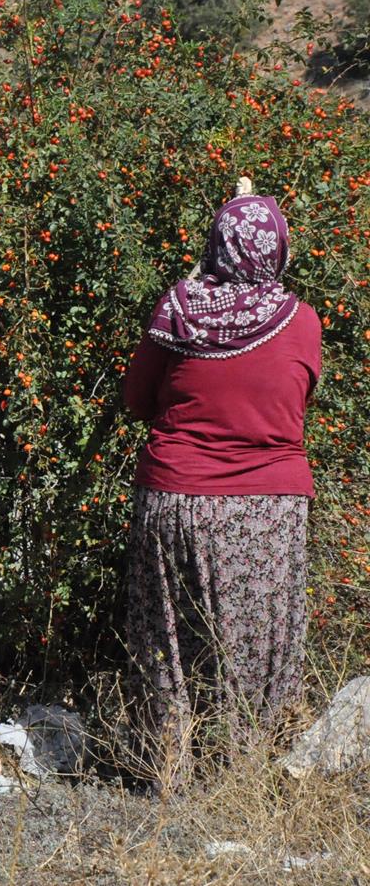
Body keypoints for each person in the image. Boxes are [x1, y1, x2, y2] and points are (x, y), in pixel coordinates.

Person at [121, 192, 320, 789]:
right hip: (268, 509)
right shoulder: (301, 320)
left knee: (170, 639)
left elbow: (136, 400)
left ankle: (167, 769)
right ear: (277, 250)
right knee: (253, 644)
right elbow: (294, 404)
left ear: (216, 245)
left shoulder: (179, 309)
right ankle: (241, 775)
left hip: (176, 497)